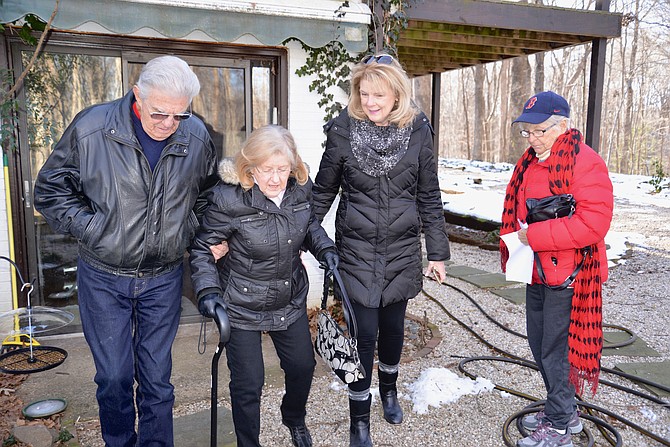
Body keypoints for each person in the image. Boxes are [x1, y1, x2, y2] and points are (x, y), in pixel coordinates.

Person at [33, 55, 219, 447]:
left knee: (157, 379)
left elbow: (207, 198)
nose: (169, 124)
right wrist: (94, 228)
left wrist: (192, 233)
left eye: (179, 116)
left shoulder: (197, 137)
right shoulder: (92, 128)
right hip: (103, 276)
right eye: (160, 114)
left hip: (163, 277)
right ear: (137, 95)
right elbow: (49, 190)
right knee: (115, 377)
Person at [312, 54, 450, 447]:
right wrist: (299, 236)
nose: (370, 101)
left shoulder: (418, 131)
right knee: (363, 334)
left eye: (379, 94)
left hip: (402, 251)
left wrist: (437, 254)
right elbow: (323, 190)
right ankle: (359, 416)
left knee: (393, 331)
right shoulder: (343, 130)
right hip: (355, 252)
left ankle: (388, 390)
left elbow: (428, 194)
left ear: (397, 95)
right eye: (364, 92)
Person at [188, 124, 338, 447]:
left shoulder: (299, 189)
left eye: (282, 169)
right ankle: (248, 443)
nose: (274, 178)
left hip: (287, 296)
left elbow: (309, 224)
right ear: (249, 167)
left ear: (292, 167)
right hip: (241, 303)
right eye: (266, 170)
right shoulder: (229, 198)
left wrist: (326, 249)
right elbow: (203, 248)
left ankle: (294, 417)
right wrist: (208, 292)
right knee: (248, 383)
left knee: (302, 367)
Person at [499, 91, 614, 447]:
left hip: (570, 275)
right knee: (538, 343)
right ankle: (560, 408)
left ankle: (561, 425)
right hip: (537, 270)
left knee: (556, 350)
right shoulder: (531, 162)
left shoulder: (586, 163)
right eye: (527, 132)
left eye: (539, 131)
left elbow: (593, 224)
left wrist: (534, 235)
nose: (532, 139)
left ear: (563, 124)